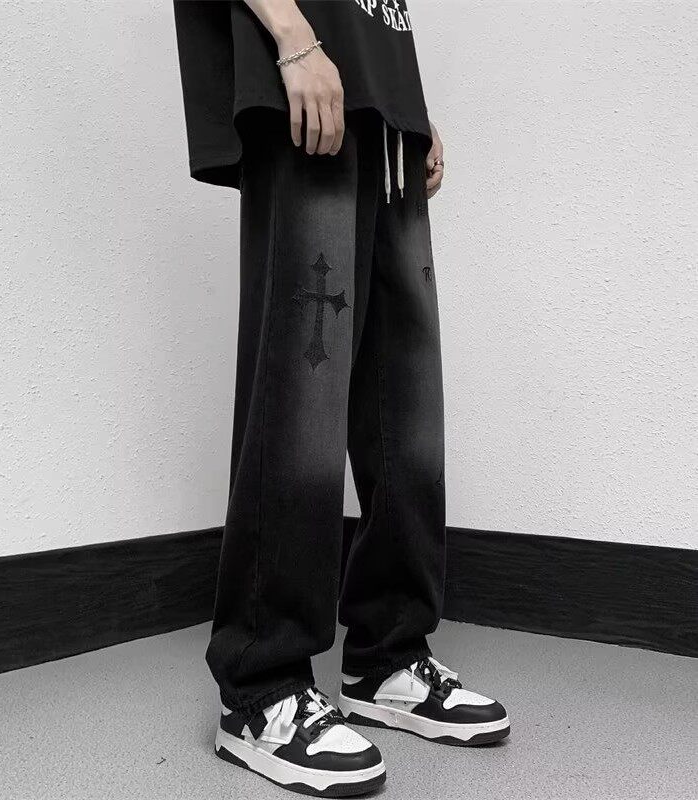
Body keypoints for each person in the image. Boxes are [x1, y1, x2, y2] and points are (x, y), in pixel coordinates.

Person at [174, 0, 509, 794]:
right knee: (303, 389)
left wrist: (406, 105)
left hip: (379, 108)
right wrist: (292, 38)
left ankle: (388, 656)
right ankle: (260, 687)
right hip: (305, 75)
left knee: (407, 401)